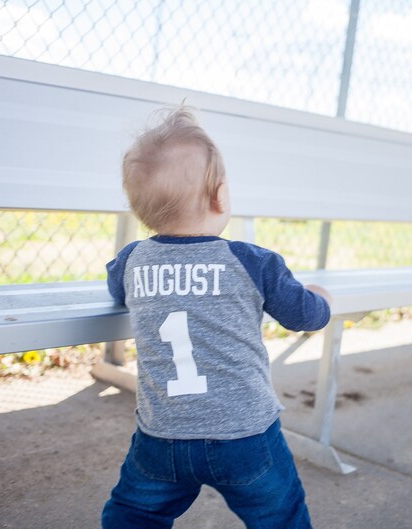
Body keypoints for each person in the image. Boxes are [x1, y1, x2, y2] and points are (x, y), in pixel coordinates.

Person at [101, 106, 332, 529]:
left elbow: (116, 290)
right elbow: (304, 317)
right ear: (220, 195)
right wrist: (320, 299)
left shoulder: (133, 260)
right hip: (245, 435)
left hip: (161, 436)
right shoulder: (250, 261)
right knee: (280, 516)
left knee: (133, 514)